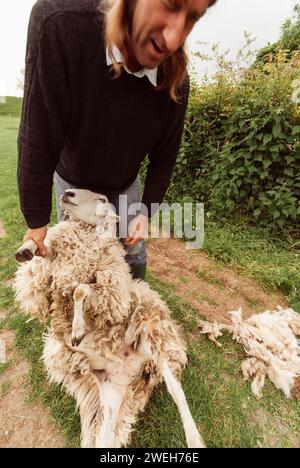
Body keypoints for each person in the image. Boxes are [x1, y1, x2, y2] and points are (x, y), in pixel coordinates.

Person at [18, 0, 217, 279]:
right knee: (80, 255)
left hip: (124, 184)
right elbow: (39, 132)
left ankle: (129, 305)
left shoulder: (175, 85)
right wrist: (37, 220)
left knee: (133, 252)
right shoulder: (60, 23)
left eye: (192, 18)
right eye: (170, 4)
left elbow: (165, 158)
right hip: (73, 181)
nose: (174, 38)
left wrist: (145, 213)